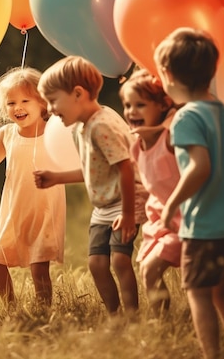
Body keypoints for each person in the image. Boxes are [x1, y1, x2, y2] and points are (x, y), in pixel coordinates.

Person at [155, 27, 224, 359]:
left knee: (197, 292)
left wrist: (171, 205)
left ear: (167, 74)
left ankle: (211, 355)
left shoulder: (185, 117)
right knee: (220, 291)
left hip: (206, 226)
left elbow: (200, 167)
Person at [33, 56, 147, 315]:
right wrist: (57, 177)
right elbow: (93, 170)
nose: (50, 109)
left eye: (53, 101)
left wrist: (129, 214)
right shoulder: (79, 128)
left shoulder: (102, 125)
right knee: (96, 264)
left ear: (77, 94)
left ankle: (132, 316)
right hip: (103, 206)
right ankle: (114, 315)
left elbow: (125, 168)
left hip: (125, 201)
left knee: (119, 260)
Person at [0, 67, 66, 307]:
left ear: (42, 102)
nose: (17, 107)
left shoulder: (54, 131)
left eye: (25, 100)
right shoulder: (7, 133)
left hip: (44, 208)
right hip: (14, 207)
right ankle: (11, 307)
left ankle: (44, 308)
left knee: (38, 264)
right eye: (11, 103)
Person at [119, 69, 181, 316]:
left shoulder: (172, 137)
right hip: (161, 219)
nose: (131, 111)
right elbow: (146, 185)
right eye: (127, 105)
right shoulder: (137, 146)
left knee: (155, 268)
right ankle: (162, 321)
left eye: (140, 105)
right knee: (147, 269)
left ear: (163, 105)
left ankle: (173, 321)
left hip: (184, 219)